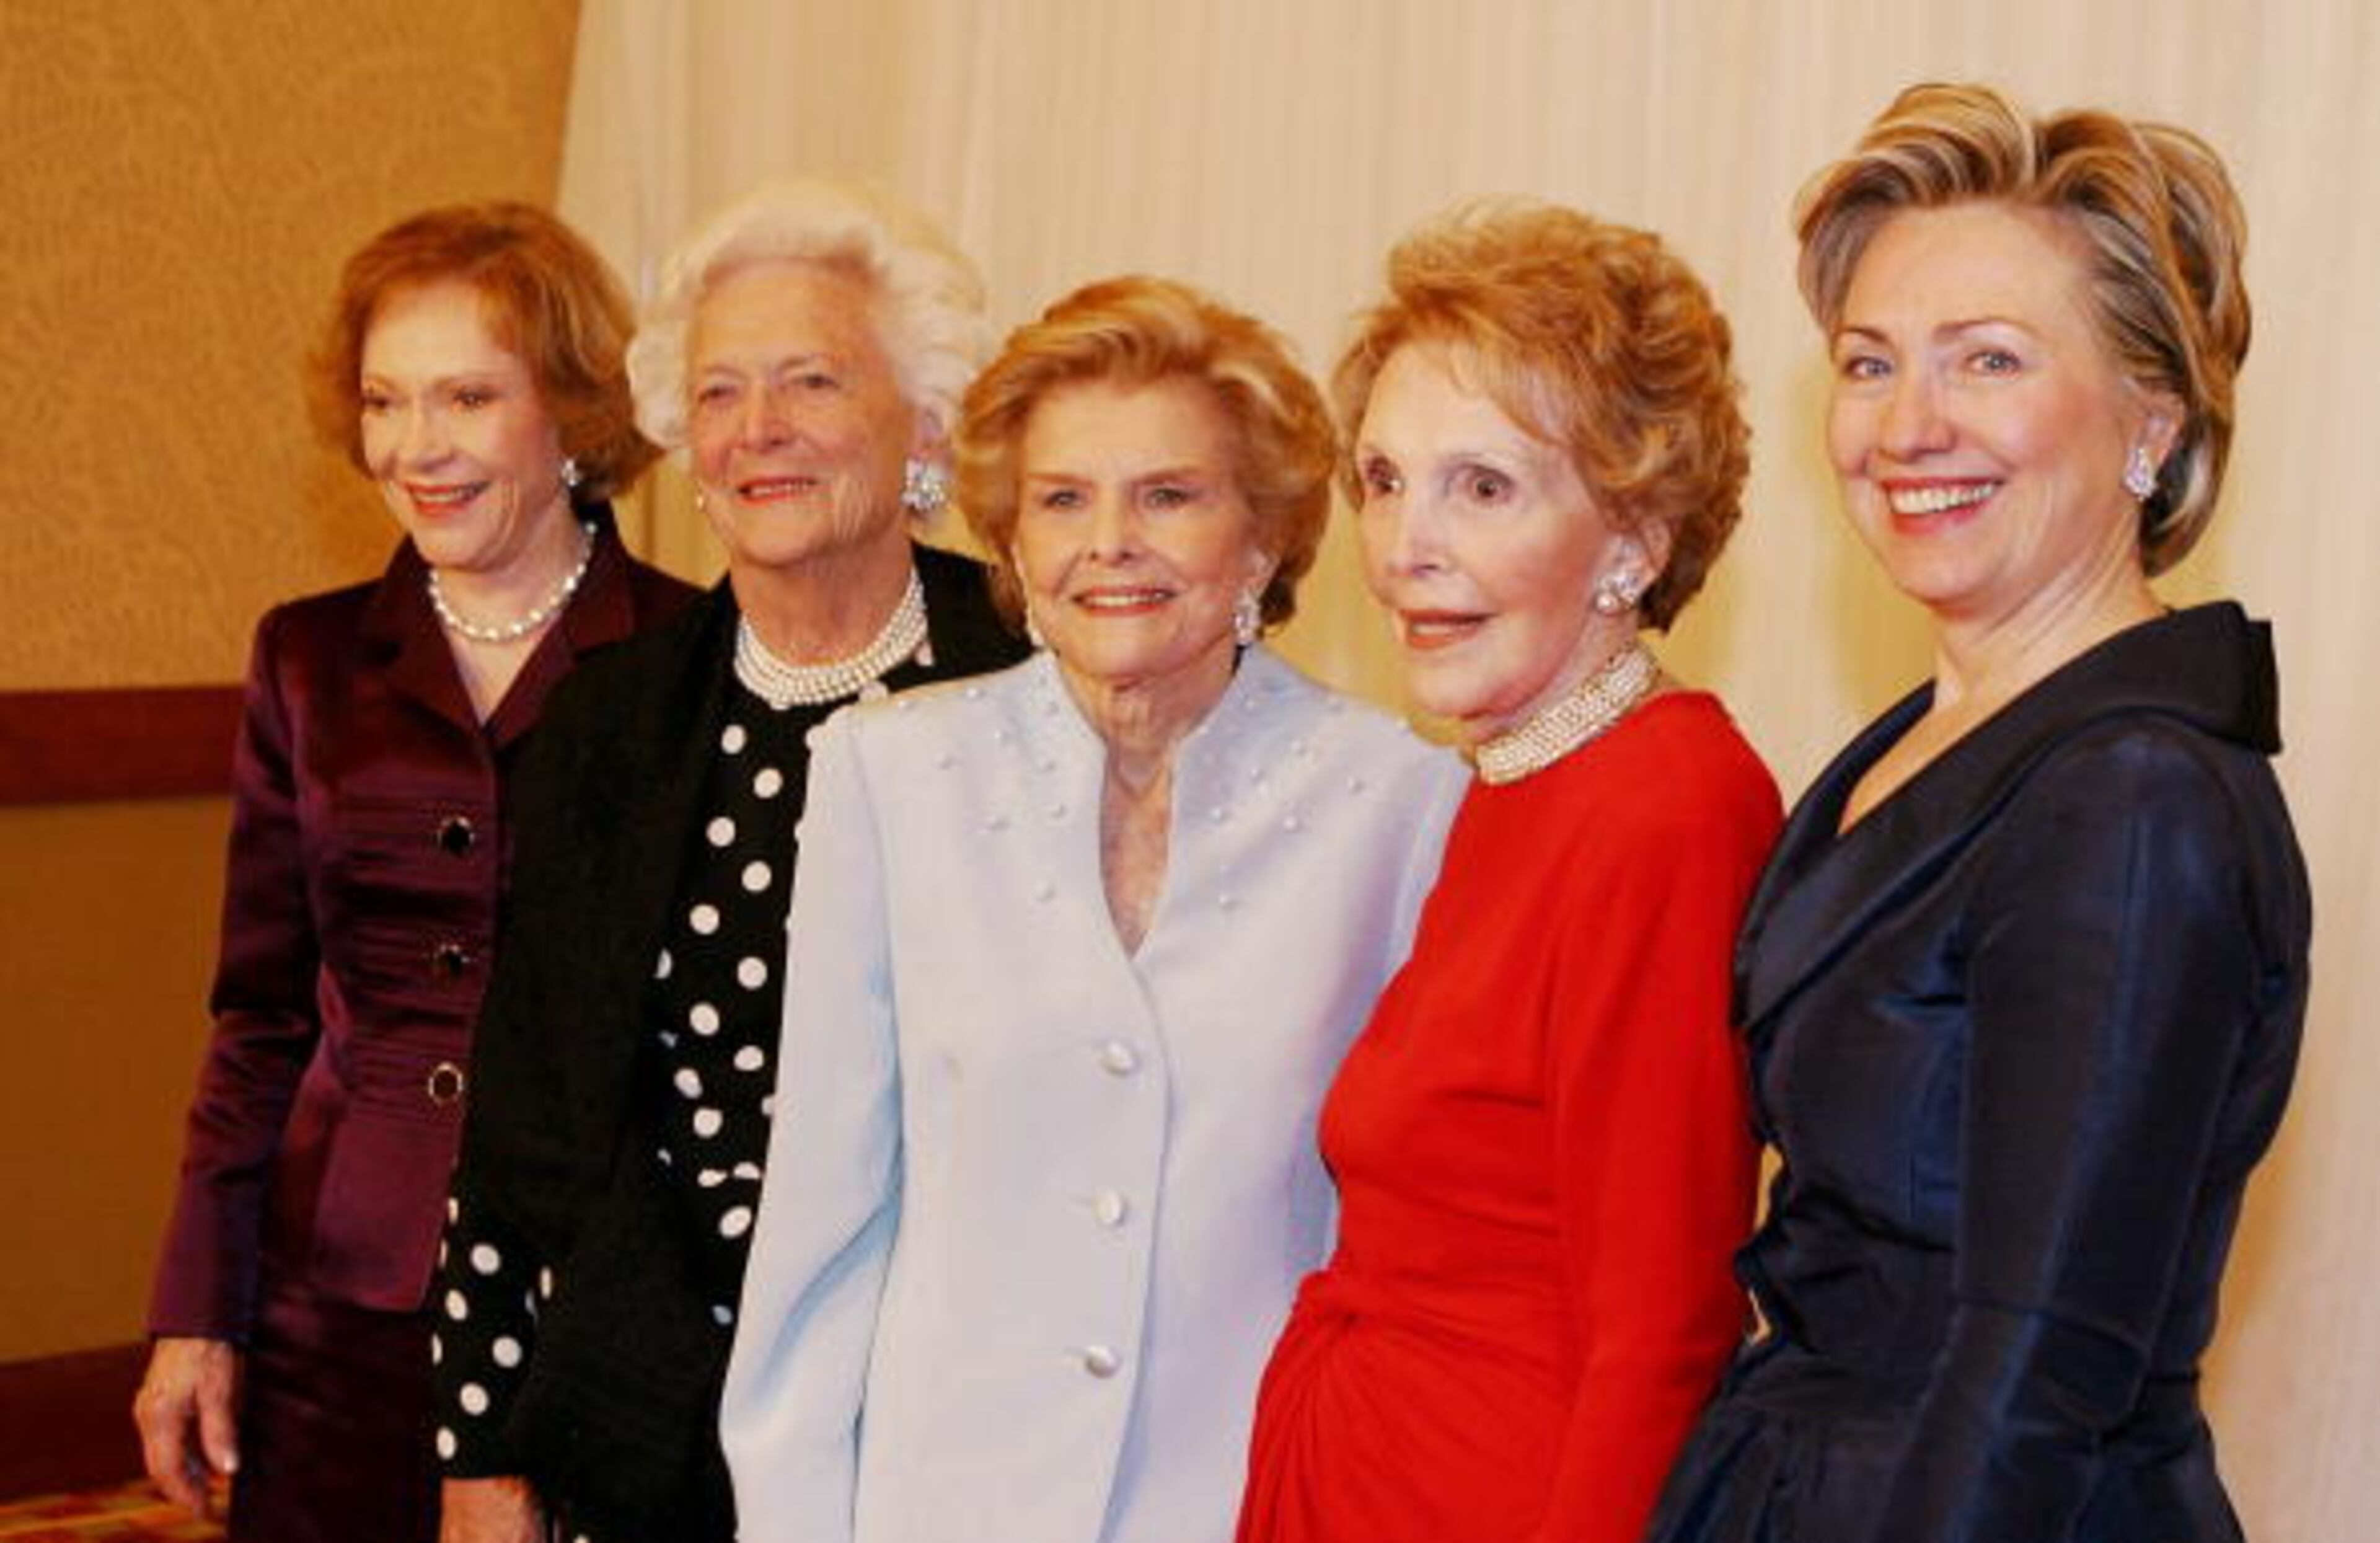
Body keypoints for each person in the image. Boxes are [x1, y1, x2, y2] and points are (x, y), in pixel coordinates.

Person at [1644, 83, 2309, 1543]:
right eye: (1869, 364)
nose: (1908, 426)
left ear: (2155, 419)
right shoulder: (1930, 746)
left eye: (1988, 360)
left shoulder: (2134, 800)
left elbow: (2042, 1368)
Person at [718, 275, 1468, 1543]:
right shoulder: (887, 776)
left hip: (1254, 1498)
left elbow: (1400, 1237)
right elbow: (824, 1223)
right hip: (937, 1505)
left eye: (1168, 495)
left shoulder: (1401, 803)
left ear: (1265, 537)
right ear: (1012, 540)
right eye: (1064, 499)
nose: (1109, 541)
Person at [428, 180, 1026, 1543]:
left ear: (923, 420)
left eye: (812, 381)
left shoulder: (1035, 694)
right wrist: (481, 1452)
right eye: (717, 396)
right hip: (656, 1408)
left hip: (954, 1409)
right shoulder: (611, 721)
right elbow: (520, 1117)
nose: (758, 431)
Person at [134, 203, 695, 1543]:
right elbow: (259, 1017)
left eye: (466, 397)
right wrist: (197, 1310)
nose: (416, 446)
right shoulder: (307, 660)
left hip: (608, 1306)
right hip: (338, 1304)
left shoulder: (694, 658)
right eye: (387, 400)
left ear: (568, 409)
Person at [1235, 201, 1782, 1543]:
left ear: (1634, 541)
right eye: (1384, 478)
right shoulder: (1511, 779)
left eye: (1483, 486)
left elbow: (1665, 1322)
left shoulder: (1667, 805)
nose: (1404, 545)